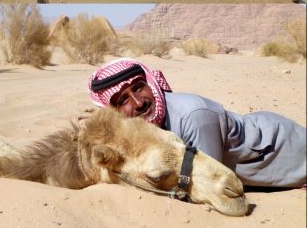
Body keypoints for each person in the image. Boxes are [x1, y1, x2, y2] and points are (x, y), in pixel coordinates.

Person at [87, 59, 306, 188]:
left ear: (150, 83)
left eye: (138, 88)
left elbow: (208, 180)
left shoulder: (193, 116)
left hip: (282, 148)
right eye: (123, 100)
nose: (139, 102)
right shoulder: (142, 123)